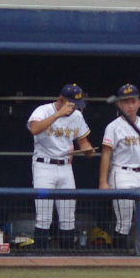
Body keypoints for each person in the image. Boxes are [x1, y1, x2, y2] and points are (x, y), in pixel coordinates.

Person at [27, 84, 95, 248]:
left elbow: (83, 141)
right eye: (71, 103)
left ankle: (67, 258)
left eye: (76, 104)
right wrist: (58, 114)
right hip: (44, 166)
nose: (73, 108)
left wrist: (88, 150)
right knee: (44, 216)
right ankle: (40, 257)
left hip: (66, 167)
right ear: (61, 99)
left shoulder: (77, 116)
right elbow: (34, 129)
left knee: (68, 216)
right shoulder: (43, 110)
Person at [99, 84, 140, 247]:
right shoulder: (113, 126)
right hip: (121, 173)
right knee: (124, 222)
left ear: (139, 103)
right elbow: (106, 154)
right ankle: (119, 259)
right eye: (125, 102)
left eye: (133, 101)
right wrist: (103, 181)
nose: (130, 105)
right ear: (119, 104)